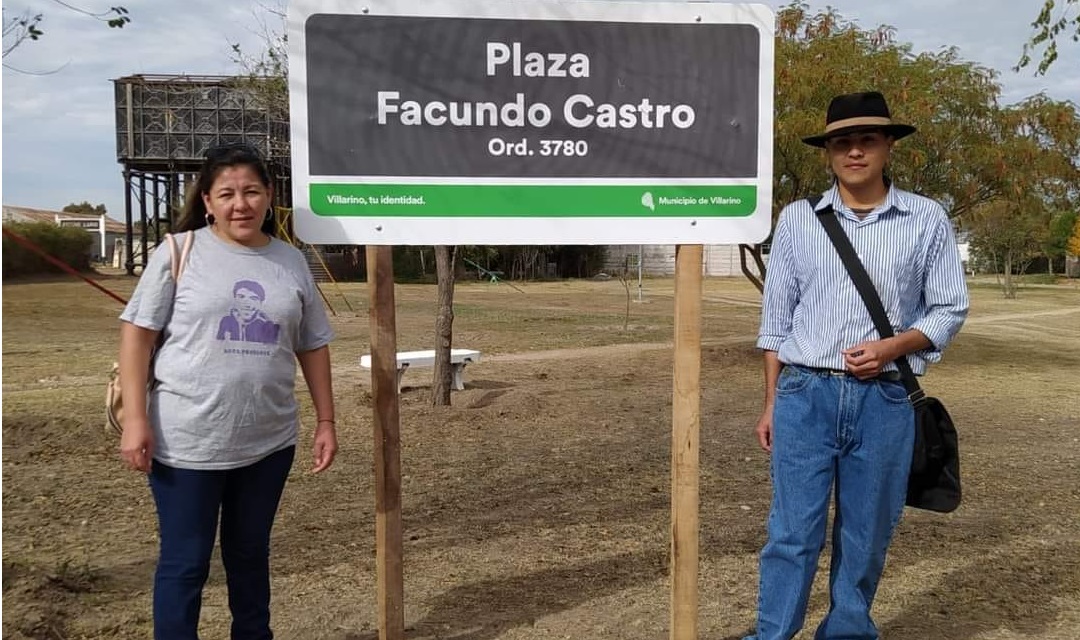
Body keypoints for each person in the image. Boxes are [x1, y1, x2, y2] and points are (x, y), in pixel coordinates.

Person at [744, 91, 969, 640]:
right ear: (828, 153)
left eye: (867, 139)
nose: (855, 151)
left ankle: (845, 631)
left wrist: (889, 349)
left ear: (889, 146)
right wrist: (772, 402)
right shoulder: (798, 220)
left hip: (886, 401)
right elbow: (776, 323)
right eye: (842, 141)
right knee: (792, 532)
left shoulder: (925, 219)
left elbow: (949, 307)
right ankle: (772, 634)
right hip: (805, 396)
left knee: (866, 533)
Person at [117, 142, 338, 640]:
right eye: (228, 193)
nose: (241, 204)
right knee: (186, 562)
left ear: (270, 196)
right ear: (209, 201)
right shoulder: (179, 251)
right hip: (187, 441)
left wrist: (327, 420)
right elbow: (137, 333)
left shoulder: (292, 262)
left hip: (268, 442)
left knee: (249, 556)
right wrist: (136, 419)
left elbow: (313, 344)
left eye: (252, 191)